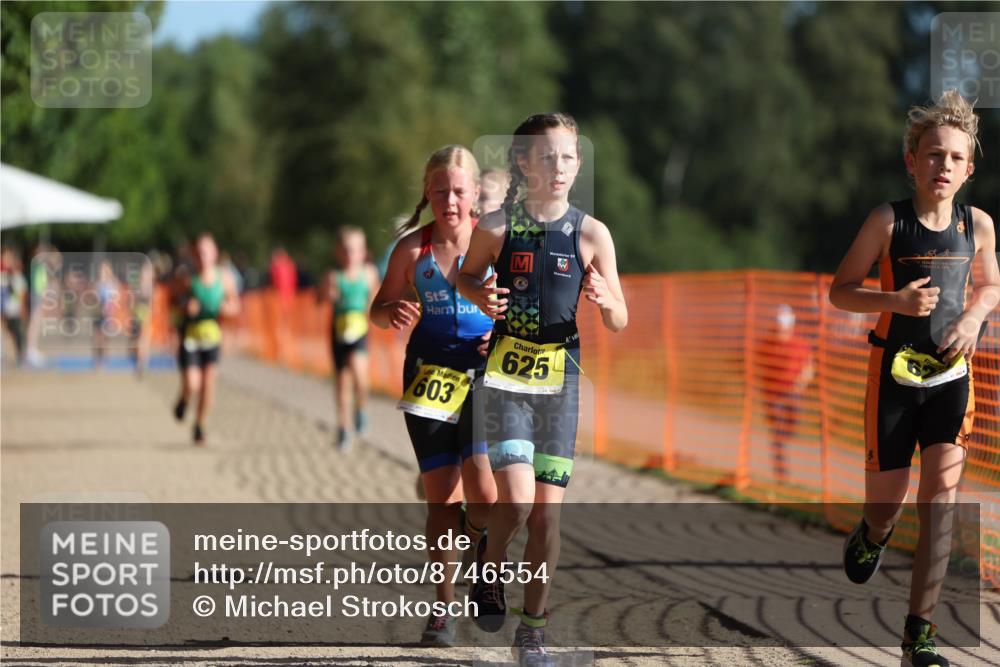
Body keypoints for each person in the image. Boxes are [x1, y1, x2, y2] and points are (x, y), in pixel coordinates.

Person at [829, 90, 999, 667]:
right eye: (933, 154)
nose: (943, 166)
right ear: (912, 160)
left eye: (955, 158)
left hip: (952, 379)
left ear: (969, 169)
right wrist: (894, 301)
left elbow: (991, 286)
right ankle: (872, 534)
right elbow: (840, 290)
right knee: (887, 506)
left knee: (941, 505)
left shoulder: (978, 225)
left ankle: (918, 638)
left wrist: (974, 317)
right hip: (893, 378)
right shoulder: (888, 221)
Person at [457, 113, 628, 666]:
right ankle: (488, 563)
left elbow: (620, 318)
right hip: (507, 379)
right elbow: (465, 275)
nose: (559, 167)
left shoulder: (592, 233)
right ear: (524, 163)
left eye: (569, 157)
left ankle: (531, 634)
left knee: (547, 517)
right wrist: (480, 295)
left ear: (579, 164)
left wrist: (606, 301)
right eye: (547, 156)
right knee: (517, 501)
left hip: (560, 383)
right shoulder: (496, 226)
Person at [370, 145, 498, 647]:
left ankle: (480, 540)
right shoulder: (411, 250)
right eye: (441, 191)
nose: (450, 201)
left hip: (484, 371)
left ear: (475, 194)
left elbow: (523, 305)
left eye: (459, 191)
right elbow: (379, 308)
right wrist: (391, 313)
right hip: (428, 375)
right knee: (442, 497)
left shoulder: (496, 242)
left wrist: (503, 333)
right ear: (428, 192)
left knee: (485, 492)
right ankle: (443, 609)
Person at [173, 233, 241, 445]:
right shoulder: (187, 278)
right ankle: (184, 398)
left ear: (214, 254)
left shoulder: (225, 279)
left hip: (212, 337)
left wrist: (225, 308)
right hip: (190, 337)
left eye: (206, 252)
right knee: (193, 383)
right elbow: (173, 304)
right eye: (199, 253)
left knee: (208, 384)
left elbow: (236, 306)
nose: (202, 257)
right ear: (194, 255)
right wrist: (186, 307)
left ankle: (200, 424)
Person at [320, 226, 380, 449]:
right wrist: (328, 295)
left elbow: (376, 300)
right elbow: (320, 299)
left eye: (354, 250)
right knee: (342, 382)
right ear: (338, 252)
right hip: (338, 331)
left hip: (360, 331)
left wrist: (371, 306)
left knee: (360, 377)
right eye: (345, 250)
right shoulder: (333, 276)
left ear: (363, 252)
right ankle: (343, 427)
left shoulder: (369, 274)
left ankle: (361, 408)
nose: (350, 255)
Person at [761, 303, 814, 481]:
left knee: (791, 424)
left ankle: (783, 438)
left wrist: (802, 381)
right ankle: (781, 471)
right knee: (778, 433)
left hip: (793, 393)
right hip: (773, 395)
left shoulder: (800, 344)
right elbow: (759, 366)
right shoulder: (767, 344)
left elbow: (809, 366)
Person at [1, 248, 27, 365]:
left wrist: (21, 308)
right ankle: (10, 355)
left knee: (16, 332)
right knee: (7, 332)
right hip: (6, 309)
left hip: (13, 309)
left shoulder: (17, 277)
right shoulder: (5, 276)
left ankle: (19, 355)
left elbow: (21, 295)